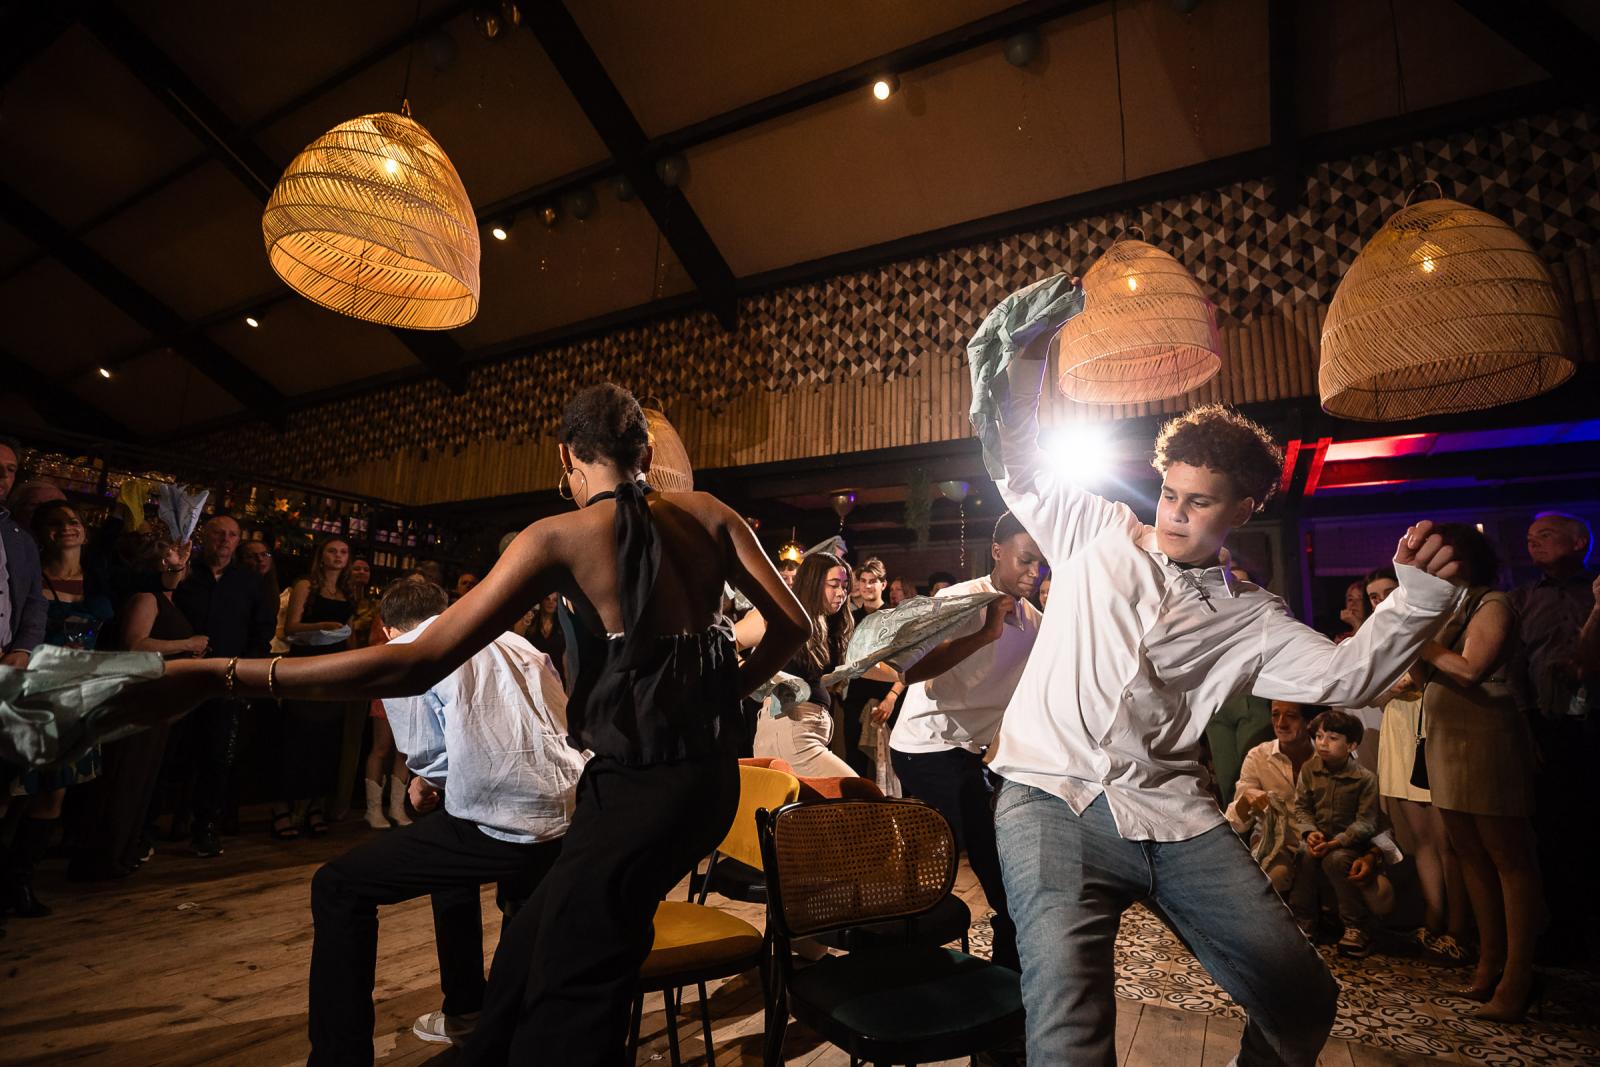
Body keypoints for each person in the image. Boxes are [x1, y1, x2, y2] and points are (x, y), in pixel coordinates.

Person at [141, 382, 808, 1064]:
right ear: (645, 450)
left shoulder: (560, 534)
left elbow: (415, 660)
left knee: (568, 1000)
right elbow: (795, 624)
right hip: (704, 787)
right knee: (522, 956)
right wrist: (727, 693)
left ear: (569, 458)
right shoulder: (711, 513)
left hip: (636, 796)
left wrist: (229, 673)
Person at [969, 274, 1468, 1066]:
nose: (1174, 513)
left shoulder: (1251, 615)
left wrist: (1418, 601)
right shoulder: (1095, 528)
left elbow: (1350, 678)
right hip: (1047, 798)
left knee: (1301, 994)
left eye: (1200, 502)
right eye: (1170, 493)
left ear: (1243, 509)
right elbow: (1020, 452)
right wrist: (1027, 353)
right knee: (1066, 1030)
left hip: (1172, 816)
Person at [306, 578, 586, 1065]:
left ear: (388, 629)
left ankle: (338, 1058)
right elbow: (557, 719)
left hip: (506, 820)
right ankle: (468, 1009)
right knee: (452, 870)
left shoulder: (411, 651)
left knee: (337, 886)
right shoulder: (513, 640)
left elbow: (429, 757)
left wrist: (426, 784)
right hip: (570, 813)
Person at [887, 510, 1044, 973]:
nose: (1035, 573)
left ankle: (1002, 966)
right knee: (988, 853)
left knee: (1002, 854)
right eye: (1026, 560)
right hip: (925, 744)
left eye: (1042, 564)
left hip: (974, 752)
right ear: (997, 552)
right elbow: (910, 670)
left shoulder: (1037, 623)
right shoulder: (960, 601)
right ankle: (998, 971)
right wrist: (983, 635)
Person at [1418, 523, 1544, 1021]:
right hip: (1447, 739)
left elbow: (1471, 668)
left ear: (1460, 560)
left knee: (1508, 858)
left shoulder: (1492, 602)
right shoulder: (1446, 608)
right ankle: (1488, 962)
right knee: (1468, 853)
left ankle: (1519, 975)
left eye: (1436, 558)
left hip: (1487, 735)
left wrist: (1419, 640)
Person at [69, 529, 208, 880]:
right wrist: (186, 644)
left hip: (155, 697)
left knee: (140, 777)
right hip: (134, 696)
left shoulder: (169, 599)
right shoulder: (147, 596)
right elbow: (135, 645)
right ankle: (100, 857)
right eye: (175, 560)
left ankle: (120, 851)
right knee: (123, 776)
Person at [2, 501, 117, 916]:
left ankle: (20, 885)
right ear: (40, 533)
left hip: (77, 696)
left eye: (74, 522)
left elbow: (158, 579)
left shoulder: (99, 576)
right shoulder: (29, 576)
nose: (67, 528)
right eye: (56, 523)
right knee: (12, 792)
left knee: (54, 795)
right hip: (32, 695)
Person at [1368, 565, 1470, 965]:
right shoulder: (1377, 633)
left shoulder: (1431, 623)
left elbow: (1423, 678)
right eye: (1373, 596)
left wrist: (1399, 682)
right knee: (1420, 838)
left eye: (1385, 592)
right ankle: (1433, 918)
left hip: (1428, 724)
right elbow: (1369, 692)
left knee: (1448, 840)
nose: (1379, 601)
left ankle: (1459, 928)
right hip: (1395, 727)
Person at [1510, 511, 1597, 965]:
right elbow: (1517, 670)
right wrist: (1527, 731)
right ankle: (1564, 931)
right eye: (1529, 539)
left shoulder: (1595, 590)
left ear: (1580, 540)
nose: (1534, 545)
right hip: (1550, 727)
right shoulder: (1523, 599)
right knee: (1556, 832)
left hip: (1594, 720)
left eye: (1545, 536)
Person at [171, 514, 273, 855]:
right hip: (180, 673)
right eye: (219, 534)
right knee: (174, 750)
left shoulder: (248, 581)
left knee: (217, 756)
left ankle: (206, 828)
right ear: (204, 536)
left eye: (232, 535)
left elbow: (262, 632)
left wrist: (245, 674)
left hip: (226, 678)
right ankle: (167, 821)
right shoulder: (185, 574)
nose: (225, 540)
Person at [751, 551, 874, 777]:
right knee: (856, 795)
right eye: (834, 585)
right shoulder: (784, 616)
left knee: (809, 811)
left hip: (804, 732)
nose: (842, 593)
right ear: (813, 584)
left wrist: (903, 676)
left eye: (845, 586)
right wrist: (767, 680)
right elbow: (730, 641)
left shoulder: (828, 627)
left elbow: (862, 667)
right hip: (790, 729)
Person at [276, 537, 354, 838]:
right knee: (296, 737)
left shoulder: (347, 591)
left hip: (335, 670)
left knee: (326, 740)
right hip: (305, 664)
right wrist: (324, 626)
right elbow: (290, 628)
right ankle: (282, 808)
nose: (338, 556)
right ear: (321, 556)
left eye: (343, 552)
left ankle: (314, 807)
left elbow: (349, 637)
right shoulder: (305, 585)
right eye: (332, 551)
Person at [1289, 710, 1380, 958]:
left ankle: (1356, 926)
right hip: (1318, 839)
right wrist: (1310, 833)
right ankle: (1303, 921)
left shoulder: (1364, 779)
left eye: (1332, 738)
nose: (1323, 743)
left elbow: (1366, 822)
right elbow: (1302, 807)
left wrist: (1337, 841)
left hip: (1348, 845)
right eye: (1319, 736)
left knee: (1337, 860)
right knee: (1304, 855)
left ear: (1351, 744)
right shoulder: (1310, 769)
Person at [1225, 700, 1320, 893]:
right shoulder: (1258, 756)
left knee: (1381, 895)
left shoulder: (1326, 754)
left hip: (1319, 843)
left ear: (1309, 721)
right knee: (1272, 877)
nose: (1281, 723)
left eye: (1291, 716)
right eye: (1275, 714)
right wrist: (1245, 800)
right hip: (1278, 845)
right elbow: (1235, 823)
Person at [0, 435, 46, 671]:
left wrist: (23, 648)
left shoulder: (21, 539)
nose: (3, 476)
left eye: (10, 469)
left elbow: (34, 600)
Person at [523, 590, 566, 684]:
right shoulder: (531, 622)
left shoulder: (562, 625)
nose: (551, 602)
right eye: (547, 599)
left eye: (555, 600)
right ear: (542, 601)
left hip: (556, 675)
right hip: (535, 675)